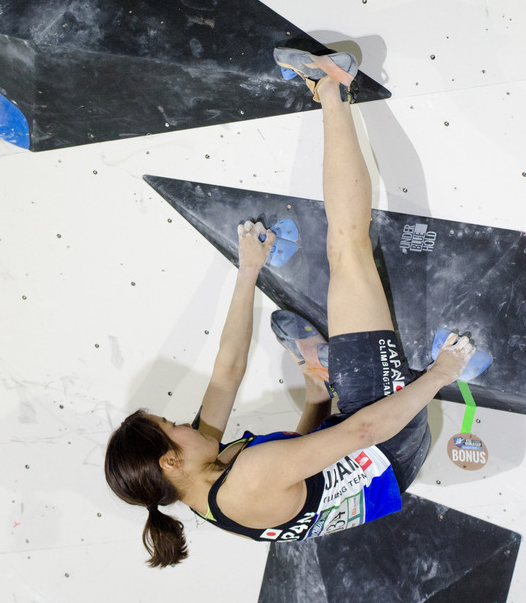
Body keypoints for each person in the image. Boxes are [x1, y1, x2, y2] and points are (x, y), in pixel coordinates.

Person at [105, 46, 478, 567]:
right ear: (170, 459)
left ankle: (324, 379)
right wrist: (440, 374)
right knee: (346, 250)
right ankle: (332, 86)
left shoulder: (202, 474)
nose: (183, 423)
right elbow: (363, 433)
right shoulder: (244, 481)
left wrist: (249, 271)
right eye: (173, 425)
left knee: (324, 370)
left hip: (338, 445)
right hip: (387, 446)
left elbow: (227, 374)